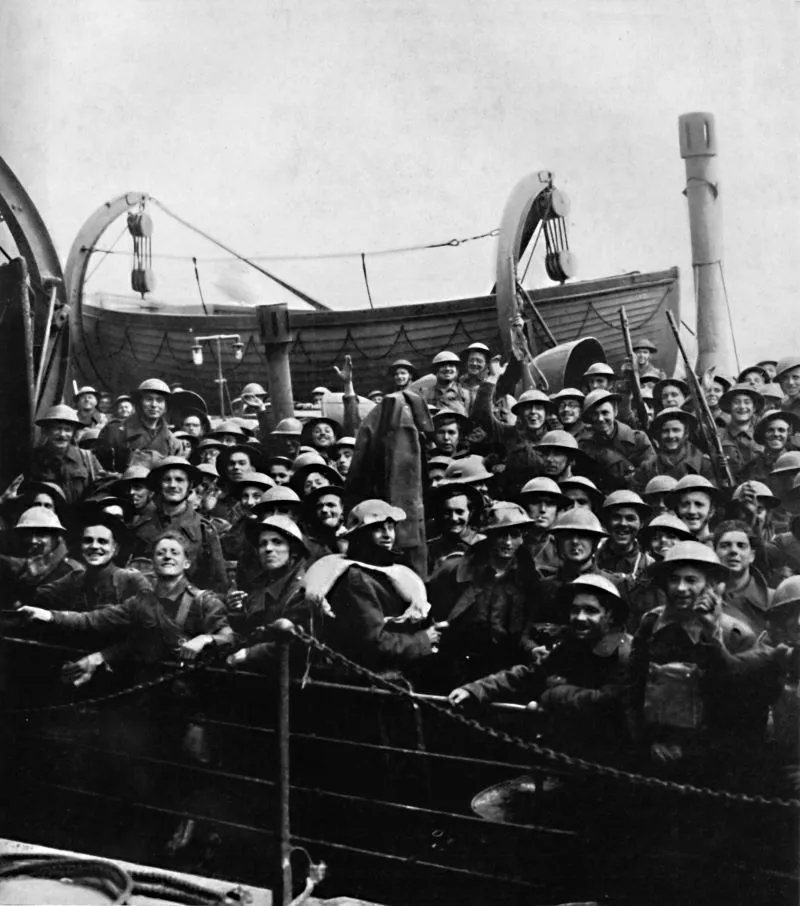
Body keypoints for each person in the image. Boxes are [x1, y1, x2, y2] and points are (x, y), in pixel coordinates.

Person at [626, 541, 773, 783]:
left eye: (692, 580)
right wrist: (646, 742)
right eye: (674, 579)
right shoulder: (651, 624)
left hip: (712, 765)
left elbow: (746, 713)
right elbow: (632, 688)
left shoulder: (735, 635)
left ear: (710, 584)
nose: (681, 588)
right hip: (653, 754)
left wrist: (693, 751)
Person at [448, 575, 631, 760]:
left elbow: (607, 704)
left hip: (608, 758)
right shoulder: (572, 644)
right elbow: (530, 674)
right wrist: (475, 690)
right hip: (569, 749)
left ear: (610, 615)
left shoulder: (625, 655)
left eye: (591, 611)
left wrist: (554, 695)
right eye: (575, 610)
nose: (580, 618)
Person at [19, 530, 233, 684]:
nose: (167, 556)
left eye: (174, 553)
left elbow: (230, 638)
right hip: (148, 690)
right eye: (160, 553)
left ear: (186, 563)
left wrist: (205, 639)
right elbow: (93, 619)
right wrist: (48, 615)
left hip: (190, 694)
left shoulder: (204, 601)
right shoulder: (140, 602)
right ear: (153, 562)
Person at [306, 500, 442, 672]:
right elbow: (373, 644)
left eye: (390, 527)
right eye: (378, 528)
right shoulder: (357, 578)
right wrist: (423, 640)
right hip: (373, 680)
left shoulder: (392, 572)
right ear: (359, 535)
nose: (387, 535)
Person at [427, 502, 538, 687]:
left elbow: (525, 630)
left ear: (522, 538)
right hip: (458, 667)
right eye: (502, 535)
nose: (508, 542)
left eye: (515, 535)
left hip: (503, 670)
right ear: (489, 536)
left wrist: (531, 649)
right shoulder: (455, 571)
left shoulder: (528, 579)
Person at [132, 456, 229, 593]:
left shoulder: (203, 530)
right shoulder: (142, 527)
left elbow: (219, 584)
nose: (173, 485)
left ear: (189, 486)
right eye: (167, 480)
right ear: (159, 485)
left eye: (179, 480)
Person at [226, 516, 310, 669]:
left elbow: (300, 643)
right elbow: (250, 630)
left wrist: (251, 654)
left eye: (277, 542)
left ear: (294, 550)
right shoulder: (261, 584)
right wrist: (236, 611)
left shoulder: (303, 588)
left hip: (290, 677)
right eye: (262, 544)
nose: (268, 549)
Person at [35, 512, 150, 612]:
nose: (94, 546)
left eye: (102, 541)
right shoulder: (75, 579)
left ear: (115, 549)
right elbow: (40, 596)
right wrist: (34, 578)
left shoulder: (131, 580)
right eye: (88, 540)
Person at [0, 507, 83, 607]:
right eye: (28, 535)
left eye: (41, 534)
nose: (33, 540)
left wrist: (34, 582)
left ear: (56, 537)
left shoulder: (73, 571)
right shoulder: (24, 569)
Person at [97, 378, 182, 471]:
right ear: (139, 403)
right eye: (148, 399)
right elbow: (100, 472)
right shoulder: (114, 432)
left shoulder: (172, 442)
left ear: (165, 407)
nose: (154, 405)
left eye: (159, 400)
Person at [578, 389, 656, 491]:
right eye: (594, 414)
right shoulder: (586, 445)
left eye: (605, 412)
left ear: (615, 411)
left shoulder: (639, 439)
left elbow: (651, 473)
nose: (600, 418)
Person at [29, 404, 103, 505]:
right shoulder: (33, 458)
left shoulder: (87, 458)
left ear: (73, 433)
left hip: (79, 517)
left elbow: (102, 486)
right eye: (57, 429)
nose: (62, 435)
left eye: (67, 430)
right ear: (46, 431)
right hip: (46, 516)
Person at [713, 520, 772, 635]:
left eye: (741, 546)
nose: (734, 551)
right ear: (714, 553)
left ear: (752, 556)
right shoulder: (700, 597)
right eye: (725, 546)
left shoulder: (772, 600)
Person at [634, 407, 714, 488]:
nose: (670, 436)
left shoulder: (703, 465)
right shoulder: (648, 467)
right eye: (665, 431)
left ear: (686, 433)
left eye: (676, 430)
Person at [426, 483, 485, 574]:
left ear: (470, 513)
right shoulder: (431, 549)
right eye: (447, 512)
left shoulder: (484, 544)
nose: (454, 518)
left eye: (459, 512)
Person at [517, 477, 569, 579]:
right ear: (524, 507)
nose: (542, 510)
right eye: (536, 502)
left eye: (550, 504)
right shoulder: (512, 542)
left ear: (556, 510)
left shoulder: (563, 549)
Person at [595, 490, 652, 579]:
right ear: (606, 523)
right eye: (616, 517)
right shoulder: (593, 559)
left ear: (641, 524)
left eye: (630, 518)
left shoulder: (649, 565)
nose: (623, 523)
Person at [717, 382, 765, 478]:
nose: (742, 406)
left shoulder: (763, 435)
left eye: (747, 402)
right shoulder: (718, 436)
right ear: (729, 407)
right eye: (736, 402)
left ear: (754, 408)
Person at [740, 409, 800, 484]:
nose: (776, 434)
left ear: (788, 433)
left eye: (781, 430)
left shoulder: (798, 460)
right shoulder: (751, 468)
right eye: (770, 430)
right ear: (763, 434)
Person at [413, 350, 470, 416]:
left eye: (451, 365)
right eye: (443, 366)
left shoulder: (464, 393)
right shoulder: (424, 392)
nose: (447, 369)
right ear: (436, 369)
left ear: (456, 370)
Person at [671, 474, 721, 546]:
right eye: (685, 505)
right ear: (677, 510)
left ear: (711, 510)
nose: (692, 511)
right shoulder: (669, 547)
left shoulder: (720, 546)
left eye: (699, 504)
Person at [459, 341, 491, 413]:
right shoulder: (459, 385)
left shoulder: (491, 385)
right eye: (471, 360)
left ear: (487, 365)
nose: (474, 363)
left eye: (479, 361)